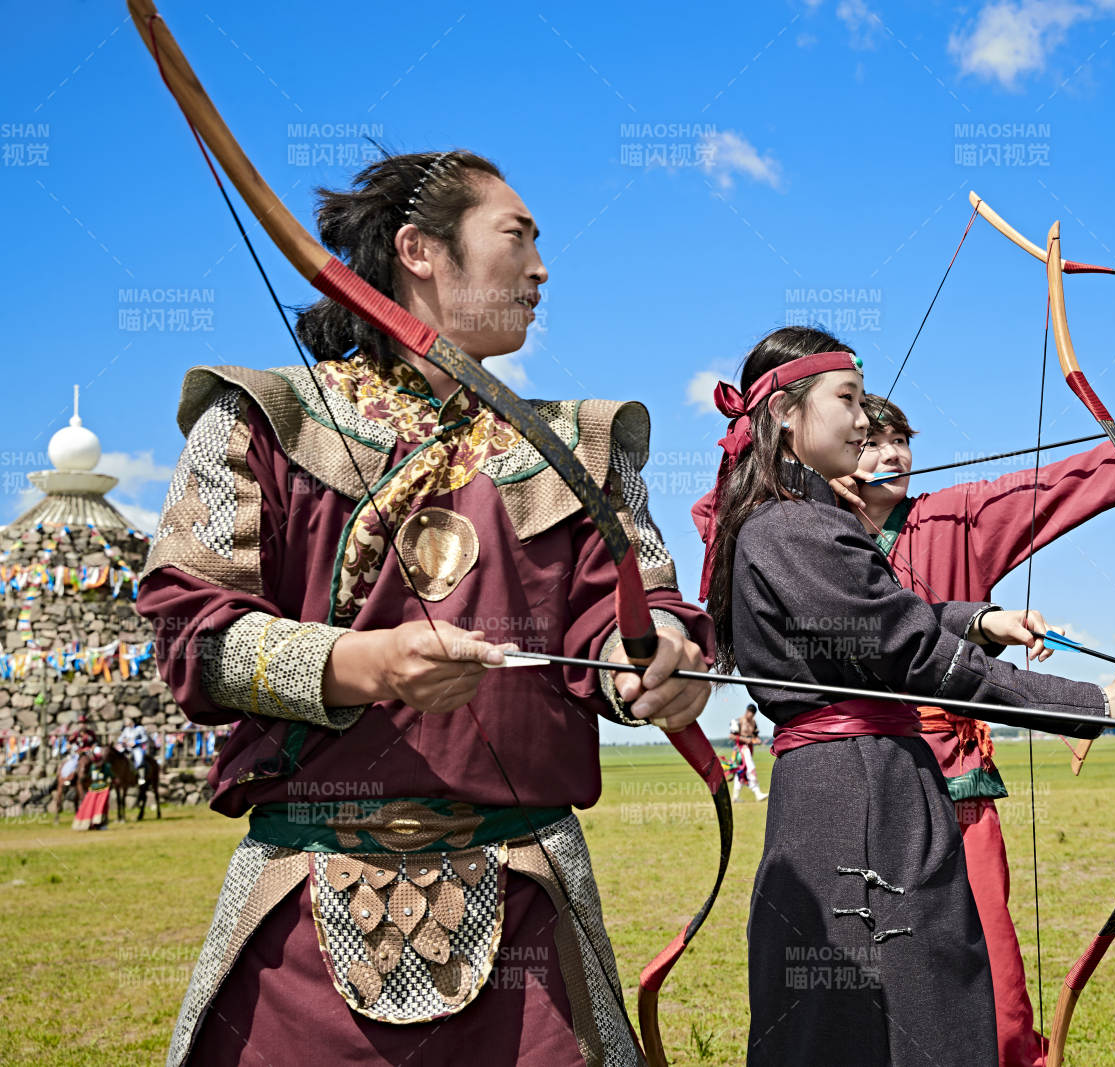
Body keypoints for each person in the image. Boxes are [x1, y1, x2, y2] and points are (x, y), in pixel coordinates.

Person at [136, 150, 711, 1066]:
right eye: (517, 237)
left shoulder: (582, 443)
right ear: (418, 250)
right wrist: (362, 664)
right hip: (301, 911)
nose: (541, 269)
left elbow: (634, 612)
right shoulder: (260, 416)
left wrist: (659, 659)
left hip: (527, 904)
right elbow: (189, 636)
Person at [697, 326, 1115, 1066]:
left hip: (860, 790)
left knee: (878, 1017)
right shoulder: (795, 526)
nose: (864, 422)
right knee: (894, 1020)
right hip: (863, 798)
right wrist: (1096, 704)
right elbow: (912, 651)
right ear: (786, 414)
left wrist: (977, 620)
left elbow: (877, 622)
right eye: (848, 400)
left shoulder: (796, 519)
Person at [828, 392, 1115, 1066]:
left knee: (989, 954)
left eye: (899, 441)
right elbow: (722, 521)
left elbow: (1053, 486)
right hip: (853, 781)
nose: (891, 455)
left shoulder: (953, 516)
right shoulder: (809, 534)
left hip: (955, 778)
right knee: (858, 964)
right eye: (871, 443)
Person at [727, 704, 767, 801]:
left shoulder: (754, 722)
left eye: (753, 715)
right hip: (740, 749)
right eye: (750, 713)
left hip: (749, 749)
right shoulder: (738, 721)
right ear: (747, 711)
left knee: (741, 771)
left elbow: (755, 736)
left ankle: (735, 797)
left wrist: (758, 740)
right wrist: (745, 739)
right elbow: (731, 736)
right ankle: (757, 793)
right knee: (750, 768)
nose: (751, 716)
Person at [72, 744, 113, 831]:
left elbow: (110, 776)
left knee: (96, 806)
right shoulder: (95, 766)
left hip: (98, 789)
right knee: (94, 806)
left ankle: (97, 823)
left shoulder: (103, 766)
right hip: (98, 789)